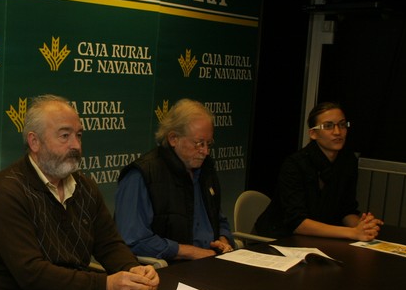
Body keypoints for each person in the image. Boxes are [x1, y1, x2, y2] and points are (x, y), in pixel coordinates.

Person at [0, 94, 159, 290]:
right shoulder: (5, 193)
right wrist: (104, 286)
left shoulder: (84, 186)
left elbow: (109, 244)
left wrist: (133, 270)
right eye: (65, 136)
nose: (76, 146)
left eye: (79, 135)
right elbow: (31, 274)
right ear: (34, 142)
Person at [114, 99, 235, 261]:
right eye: (199, 143)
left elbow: (219, 219)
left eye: (208, 144)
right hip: (167, 270)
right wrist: (189, 252)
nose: (205, 151)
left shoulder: (206, 169)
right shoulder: (142, 175)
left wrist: (223, 239)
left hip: (211, 261)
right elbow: (132, 240)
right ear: (173, 139)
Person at [254, 101, 382, 241]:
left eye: (342, 124)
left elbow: (346, 210)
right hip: (279, 238)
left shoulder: (348, 161)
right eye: (328, 126)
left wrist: (362, 226)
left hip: (320, 239)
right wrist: (352, 233)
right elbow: (297, 223)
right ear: (313, 133)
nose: (337, 132)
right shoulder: (295, 164)